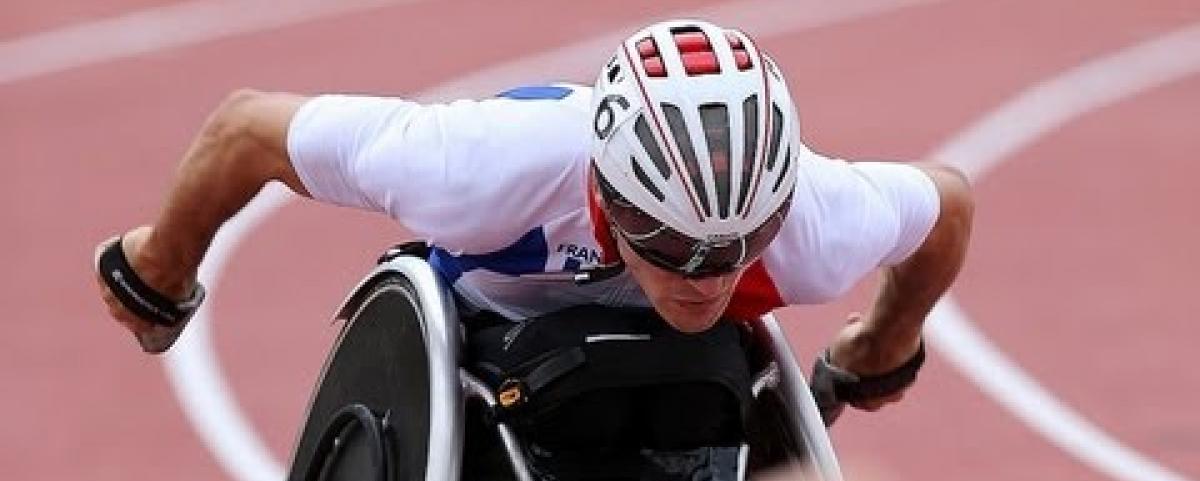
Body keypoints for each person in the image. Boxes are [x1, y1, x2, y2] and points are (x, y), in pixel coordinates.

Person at [94, 18, 972, 413]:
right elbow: (246, 129)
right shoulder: (475, 167)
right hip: (485, 332)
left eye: (734, 249)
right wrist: (162, 266)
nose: (703, 279)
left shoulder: (811, 224)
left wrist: (882, 342)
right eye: (667, 248)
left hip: (688, 385)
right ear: (606, 195)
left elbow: (947, 203)